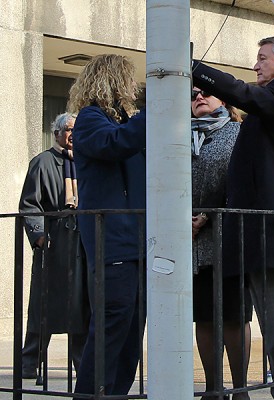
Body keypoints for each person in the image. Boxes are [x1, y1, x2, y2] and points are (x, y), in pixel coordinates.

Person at [192, 36, 274, 400]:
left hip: (272, 227)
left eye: (262, 58)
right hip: (257, 229)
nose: (256, 65)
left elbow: (242, 93)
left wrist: (196, 67)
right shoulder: (272, 104)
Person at [67, 54, 147, 398]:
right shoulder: (89, 119)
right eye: (127, 80)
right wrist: (152, 114)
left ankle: (115, 393)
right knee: (111, 327)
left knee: (130, 335)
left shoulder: (124, 120)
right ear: (112, 82)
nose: (133, 88)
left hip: (137, 243)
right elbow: (115, 144)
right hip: (112, 240)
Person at [190, 87, 252, 400]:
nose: (198, 97)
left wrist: (210, 216)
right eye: (192, 95)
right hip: (193, 242)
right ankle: (214, 387)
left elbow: (242, 183)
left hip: (228, 236)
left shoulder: (238, 133)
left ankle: (240, 387)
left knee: (233, 314)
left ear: (222, 100)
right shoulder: (178, 135)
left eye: (205, 93)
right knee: (203, 315)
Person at [19, 112, 90, 379]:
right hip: (53, 243)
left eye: (77, 130)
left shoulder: (85, 161)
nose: (73, 135)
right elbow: (29, 204)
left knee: (79, 305)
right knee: (42, 304)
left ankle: (81, 364)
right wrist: (38, 235)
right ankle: (30, 362)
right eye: (69, 130)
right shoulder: (42, 162)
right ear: (57, 133)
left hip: (81, 243)